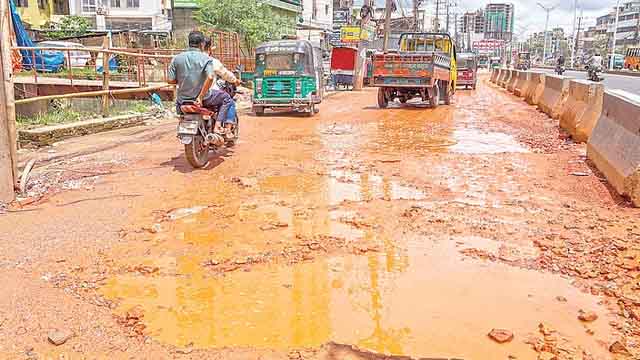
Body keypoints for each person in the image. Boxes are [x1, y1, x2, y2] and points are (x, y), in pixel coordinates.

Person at [168, 31, 241, 138]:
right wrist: (200, 97)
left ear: (189, 42)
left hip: (182, 100)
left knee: (180, 107)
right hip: (204, 98)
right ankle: (217, 126)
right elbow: (211, 77)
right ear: (202, 44)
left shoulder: (176, 58)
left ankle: (182, 122)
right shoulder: (207, 59)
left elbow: (170, 80)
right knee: (226, 98)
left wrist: (184, 80)